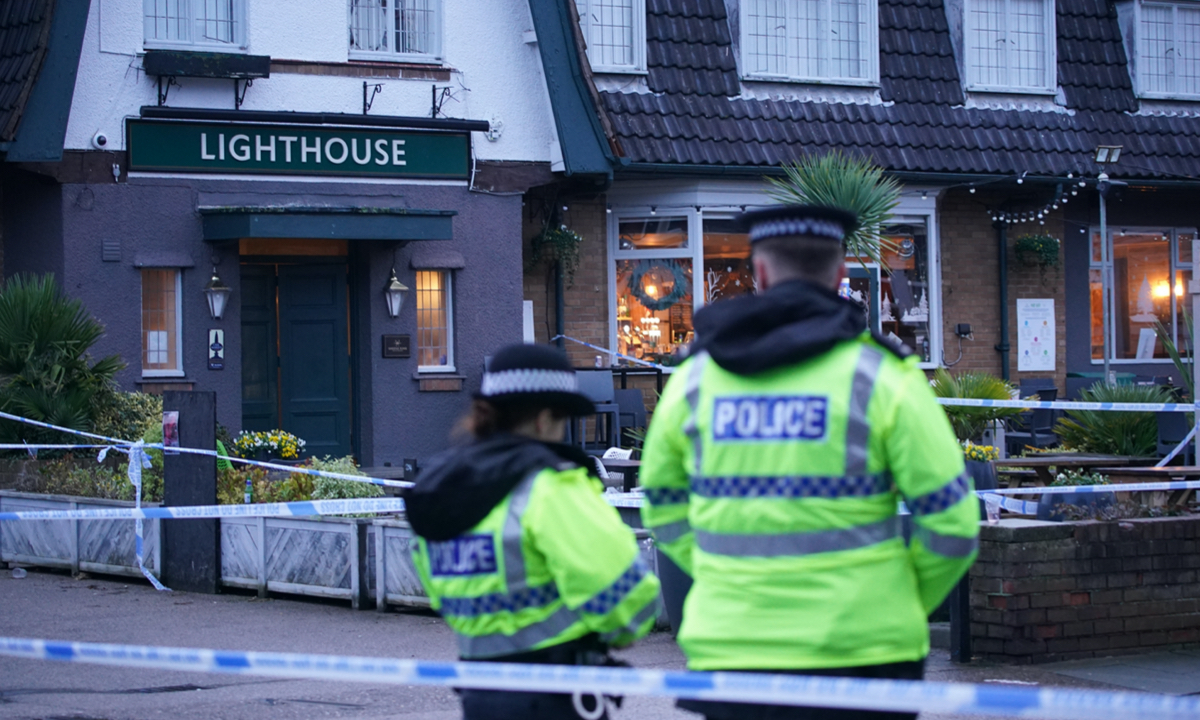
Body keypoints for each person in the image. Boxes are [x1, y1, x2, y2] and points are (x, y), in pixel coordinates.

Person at [639, 204, 980, 720]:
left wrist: (724, 577)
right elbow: (952, 523)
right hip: (866, 653)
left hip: (734, 650)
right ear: (841, 274)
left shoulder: (693, 382)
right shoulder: (884, 379)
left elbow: (662, 506)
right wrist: (899, 600)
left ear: (759, 273)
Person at [405, 343, 662, 720]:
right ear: (544, 420)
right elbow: (624, 592)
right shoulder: (550, 487)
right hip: (556, 695)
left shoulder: (443, 490)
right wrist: (617, 633)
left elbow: (440, 591)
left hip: (480, 695)